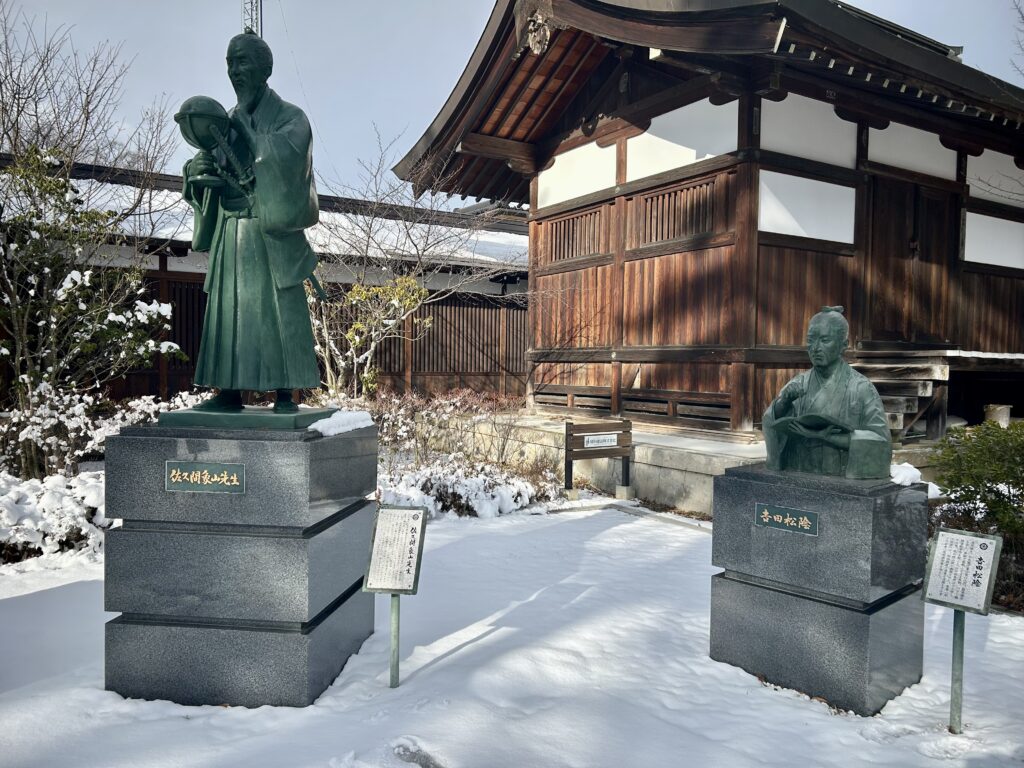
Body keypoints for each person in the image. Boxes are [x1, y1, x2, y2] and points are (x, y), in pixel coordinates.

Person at [182, 32, 320, 413]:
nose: (234, 71)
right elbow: (209, 176)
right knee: (230, 312)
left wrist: (251, 136)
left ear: (266, 68)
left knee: (278, 311)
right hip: (232, 232)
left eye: (242, 62)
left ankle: (285, 391)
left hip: (268, 232)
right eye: (230, 62)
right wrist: (197, 170)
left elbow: (292, 162)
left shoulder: (291, 117)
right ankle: (228, 390)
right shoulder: (223, 122)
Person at [762, 306, 891, 478]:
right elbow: (772, 421)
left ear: (843, 345)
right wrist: (783, 402)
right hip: (800, 471)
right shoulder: (799, 382)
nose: (815, 348)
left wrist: (826, 437)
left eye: (824, 340)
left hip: (837, 474)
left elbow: (879, 440)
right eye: (811, 340)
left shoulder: (861, 388)